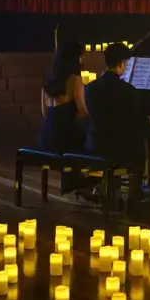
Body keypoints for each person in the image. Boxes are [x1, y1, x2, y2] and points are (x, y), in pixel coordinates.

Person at [84, 43, 149, 207]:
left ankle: (112, 190)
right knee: (138, 150)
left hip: (94, 144)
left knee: (124, 139)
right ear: (121, 63)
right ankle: (133, 195)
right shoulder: (128, 91)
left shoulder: (90, 88)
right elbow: (138, 122)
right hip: (115, 149)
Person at [39, 41, 88, 194]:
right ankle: (80, 181)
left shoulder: (47, 81)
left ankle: (73, 180)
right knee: (90, 136)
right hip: (64, 137)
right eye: (80, 57)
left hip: (45, 137)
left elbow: (44, 112)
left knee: (77, 134)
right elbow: (82, 110)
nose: (82, 60)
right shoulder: (74, 79)